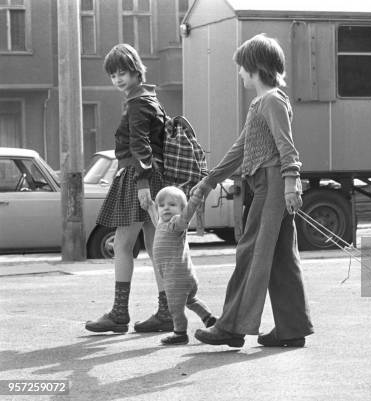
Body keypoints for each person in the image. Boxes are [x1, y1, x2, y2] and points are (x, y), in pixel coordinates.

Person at [192, 34, 313, 348]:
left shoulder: (271, 100)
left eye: (242, 68)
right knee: (281, 257)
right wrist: (208, 181)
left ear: (256, 67)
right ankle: (291, 327)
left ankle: (231, 327)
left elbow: (288, 149)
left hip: (272, 185)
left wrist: (290, 183)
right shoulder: (262, 103)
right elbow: (239, 150)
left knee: (251, 253)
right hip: (267, 184)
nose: (240, 73)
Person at [85, 43, 172, 333]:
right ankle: (166, 312)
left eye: (123, 72)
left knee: (123, 245)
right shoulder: (151, 98)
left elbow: (140, 144)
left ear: (136, 70)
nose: (118, 79)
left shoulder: (137, 102)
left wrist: (143, 183)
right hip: (153, 176)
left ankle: (120, 314)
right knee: (154, 246)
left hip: (139, 176)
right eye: (113, 75)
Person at [146, 186, 217, 345]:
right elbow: (154, 216)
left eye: (172, 205)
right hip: (184, 276)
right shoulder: (162, 224)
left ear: (181, 209)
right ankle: (209, 319)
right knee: (190, 300)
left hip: (176, 278)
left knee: (175, 308)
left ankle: (180, 333)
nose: (166, 208)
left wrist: (195, 200)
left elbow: (186, 216)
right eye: (162, 205)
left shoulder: (176, 223)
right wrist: (150, 205)